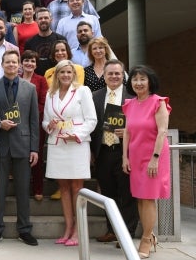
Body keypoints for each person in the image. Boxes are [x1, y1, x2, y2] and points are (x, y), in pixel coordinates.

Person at [0, 50, 39, 246]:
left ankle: (24, 230)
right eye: (7, 62)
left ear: (18, 65)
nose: (10, 65)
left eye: (13, 62)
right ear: (2, 64)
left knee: (23, 190)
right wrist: (0, 123)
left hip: (23, 145)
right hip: (0, 144)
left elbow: (34, 120)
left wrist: (34, 148)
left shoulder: (30, 88)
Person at [42, 60, 96, 246]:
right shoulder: (51, 94)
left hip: (76, 144)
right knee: (63, 187)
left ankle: (79, 232)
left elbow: (91, 120)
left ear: (73, 73)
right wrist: (49, 126)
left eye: (68, 72)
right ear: (56, 74)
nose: (65, 75)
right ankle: (68, 228)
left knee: (76, 187)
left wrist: (77, 135)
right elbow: (45, 121)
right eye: (62, 72)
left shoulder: (83, 91)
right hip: (57, 144)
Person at [122, 65, 171, 259]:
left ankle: (146, 239)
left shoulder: (158, 102)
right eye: (135, 79)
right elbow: (127, 131)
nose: (138, 83)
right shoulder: (130, 104)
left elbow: (162, 131)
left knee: (148, 197)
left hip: (153, 156)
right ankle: (149, 236)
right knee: (140, 198)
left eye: (142, 79)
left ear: (150, 81)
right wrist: (124, 157)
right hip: (135, 156)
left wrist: (155, 159)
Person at [90, 60, 138, 245]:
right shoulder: (95, 96)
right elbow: (92, 126)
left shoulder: (132, 97)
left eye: (118, 73)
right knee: (108, 195)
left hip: (125, 152)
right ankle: (112, 230)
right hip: (103, 153)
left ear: (123, 75)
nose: (114, 77)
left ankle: (127, 234)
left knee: (127, 194)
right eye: (110, 74)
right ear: (104, 76)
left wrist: (127, 131)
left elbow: (140, 124)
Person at [20, 50, 48, 201]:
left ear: (36, 64)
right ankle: (22, 188)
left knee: (36, 154)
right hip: (18, 123)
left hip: (36, 123)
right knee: (21, 156)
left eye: (32, 61)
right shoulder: (16, 78)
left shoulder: (41, 80)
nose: (29, 63)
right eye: (26, 60)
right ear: (21, 63)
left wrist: (31, 113)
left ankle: (38, 188)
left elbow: (44, 101)